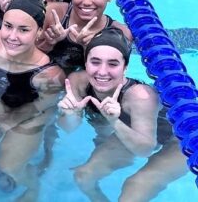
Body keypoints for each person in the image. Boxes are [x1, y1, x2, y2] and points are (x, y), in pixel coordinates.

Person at [56, 27, 172, 202]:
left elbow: (145, 149)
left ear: (125, 67)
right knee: (84, 176)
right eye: (95, 62)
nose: (102, 72)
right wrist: (70, 114)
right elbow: (69, 129)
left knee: (134, 188)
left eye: (113, 64)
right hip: (132, 132)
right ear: (86, 63)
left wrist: (114, 121)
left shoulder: (141, 96)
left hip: (181, 139)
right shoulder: (77, 82)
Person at [0, 0, 65, 201]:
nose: (12, 37)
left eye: (23, 30)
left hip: (34, 112)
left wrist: (13, 120)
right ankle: (9, 155)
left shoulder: (48, 74)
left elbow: (44, 106)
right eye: (8, 26)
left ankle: (32, 186)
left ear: (39, 33)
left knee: (10, 165)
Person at [37, 0, 132, 75]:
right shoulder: (53, 14)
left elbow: (110, 80)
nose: (86, 2)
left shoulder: (119, 33)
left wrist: (89, 48)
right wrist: (48, 43)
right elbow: (23, 58)